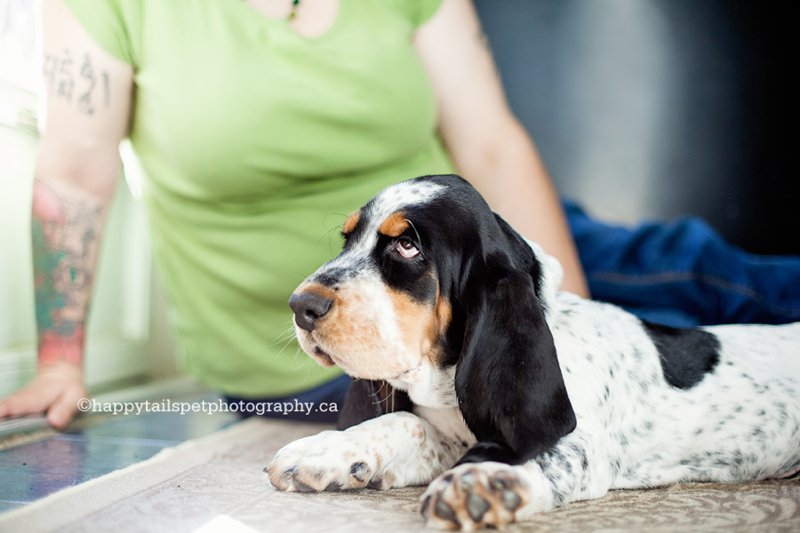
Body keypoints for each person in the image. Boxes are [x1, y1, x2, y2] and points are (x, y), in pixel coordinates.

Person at [1, 0, 798, 429]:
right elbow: (74, 170)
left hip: (476, 249)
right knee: (681, 372)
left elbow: (487, 143)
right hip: (327, 343)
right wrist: (59, 361)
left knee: (698, 269)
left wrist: (573, 329)